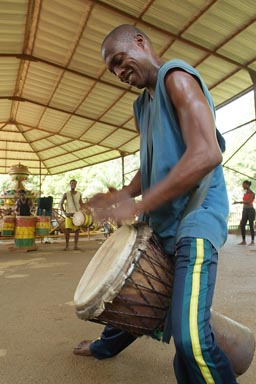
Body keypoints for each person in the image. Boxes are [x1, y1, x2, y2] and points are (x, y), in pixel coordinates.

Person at [73, 25, 237, 384]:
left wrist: (138, 205)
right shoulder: (141, 105)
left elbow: (206, 153)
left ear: (140, 42)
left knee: (191, 340)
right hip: (163, 223)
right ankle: (105, 346)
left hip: (196, 218)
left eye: (119, 61)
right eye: (112, 69)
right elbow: (153, 163)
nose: (118, 73)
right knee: (137, 293)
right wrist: (124, 194)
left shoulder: (176, 77)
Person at [60, 179, 84, 251]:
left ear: (76, 185)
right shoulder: (66, 194)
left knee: (77, 231)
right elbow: (61, 203)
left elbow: (81, 203)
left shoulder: (79, 194)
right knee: (67, 230)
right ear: (70, 184)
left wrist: (84, 210)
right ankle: (67, 246)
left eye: (74, 183)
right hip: (69, 215)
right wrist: (64, 212)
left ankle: (75, 246)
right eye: (72, 183)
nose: (73, 184)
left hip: (77, 215)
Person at [233, 180, 255, 245]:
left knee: (251, 225)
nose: (243, 186)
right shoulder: (245, 193)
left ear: (248, 185)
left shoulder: (252, 193)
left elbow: (248, 201)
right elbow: (245, 201)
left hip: (250, 210)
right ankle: (244, 241)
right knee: (242, 225)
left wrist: (238, 202)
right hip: (245, 210)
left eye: (244, 185)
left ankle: (252, 241)